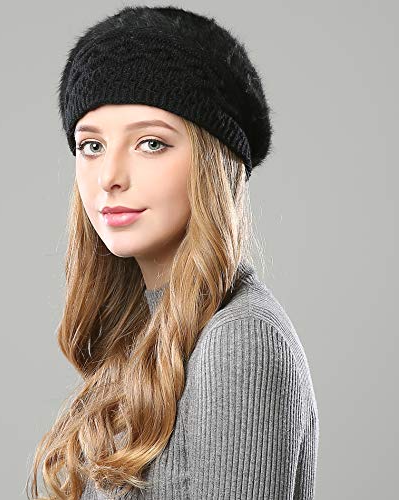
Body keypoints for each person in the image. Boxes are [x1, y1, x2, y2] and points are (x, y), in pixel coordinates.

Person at [26, 5, 319, 500]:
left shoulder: (239, 340)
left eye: (150, 143)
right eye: (91, 146)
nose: (109, 176)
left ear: (211, 162)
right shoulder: (142, 335)